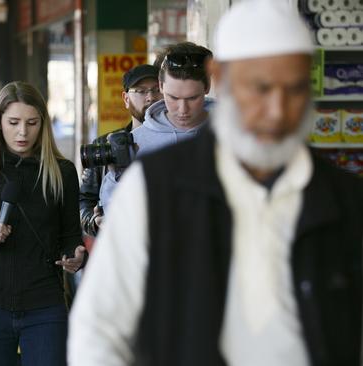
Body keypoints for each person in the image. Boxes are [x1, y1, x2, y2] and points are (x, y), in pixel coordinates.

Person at [68, 1, 363, 365]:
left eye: (294, 88)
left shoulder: (344, 201)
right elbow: (100, 329)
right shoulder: (153, 186)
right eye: (259, 88)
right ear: (222, 81)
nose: (276, 110)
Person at [0, 81, 86, 366]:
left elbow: (71, 235)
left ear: (43, 124)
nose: (22, 132)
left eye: (31, 122)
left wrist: (75, 256)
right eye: (13, 122)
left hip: (45, 306)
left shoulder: (62, 172)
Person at [98, 42, 214, 210]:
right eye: (173, 97)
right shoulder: (136, 142)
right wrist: (118, 176)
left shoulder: (233, 135)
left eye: (192, 98)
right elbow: (114, 211)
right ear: (160, 86)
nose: (183, 109)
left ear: (207, 87)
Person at [79, 64, 161, 236]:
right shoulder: (104, 145)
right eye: (141, 91)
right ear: (125, 99)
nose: (151, 97)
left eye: (156, 89)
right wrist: (94, 222)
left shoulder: (175, 142)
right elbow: (84, 200)